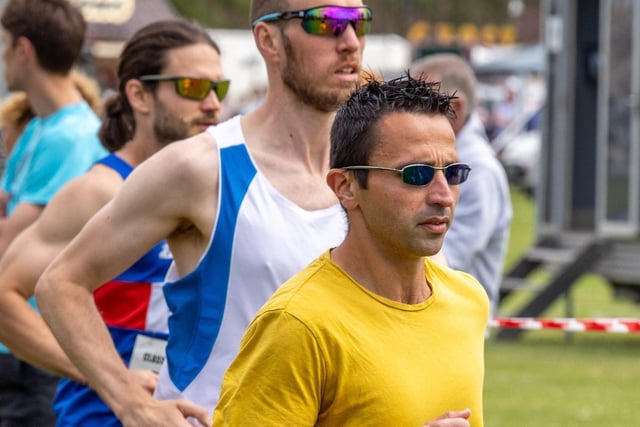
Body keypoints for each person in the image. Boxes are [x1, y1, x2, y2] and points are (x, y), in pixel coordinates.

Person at [36, 1, 371, 425]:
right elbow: (60, 284)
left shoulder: (372, 175)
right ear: (269, 40)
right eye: (327, 22)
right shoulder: (200, 166)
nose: (350, 41)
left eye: (359, 22)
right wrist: (129, 400)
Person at [213, 73, 488, 426]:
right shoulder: (297, 325)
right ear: (345, 187)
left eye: (453, 173)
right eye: (415, 174)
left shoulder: (468, 300)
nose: (442, 195)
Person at [0, 19, 227, 426]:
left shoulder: (217, 187)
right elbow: (5, 298)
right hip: (102, 417)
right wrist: (109, 379)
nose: (212, 103)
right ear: (139, 95)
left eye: (219, 88)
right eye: (192, 87)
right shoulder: (101, 190)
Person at [0, 0, 109, 424]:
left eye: (4, 44)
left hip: (36, 350)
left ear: (23, 49)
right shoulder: (43, 128)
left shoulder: (72, 137)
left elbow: (9, 241)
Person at [410, 53, 512, 318]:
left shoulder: (479, 171)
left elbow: (448, 259)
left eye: (420, 103)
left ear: (455, 109)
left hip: (454, 322)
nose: (407, 113)